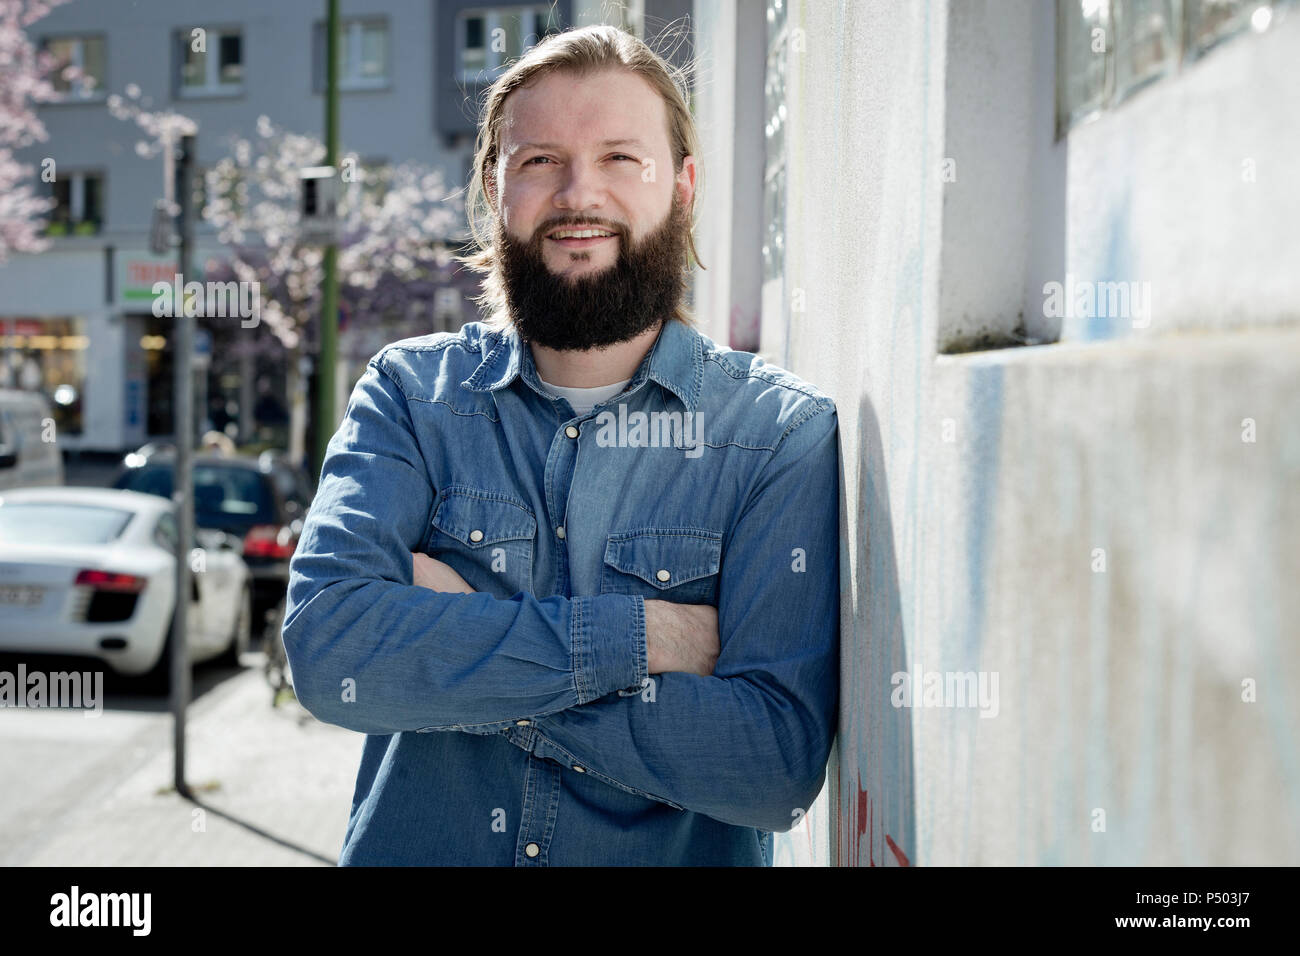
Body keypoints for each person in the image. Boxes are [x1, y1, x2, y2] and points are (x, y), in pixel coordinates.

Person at [283, 24, 840, 866]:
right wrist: (645, 640)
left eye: (621, 158)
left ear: (683, 188)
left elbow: (769, 768)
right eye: (540, 160)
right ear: (494, 189)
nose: (580, 194)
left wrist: (473, 630)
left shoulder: (773, 437)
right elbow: (331, 654)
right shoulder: (409, 398)